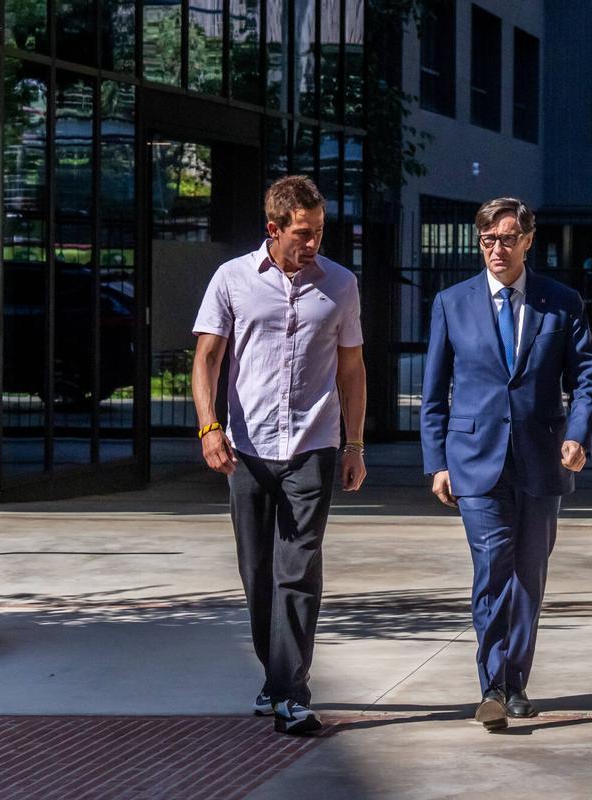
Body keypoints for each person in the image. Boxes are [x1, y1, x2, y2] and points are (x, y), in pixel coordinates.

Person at [191, 175, 367, 736]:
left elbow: (352, 370)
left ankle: (292, 692)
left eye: (318, 231)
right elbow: (207, 361)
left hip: (312, 446)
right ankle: (275, 680)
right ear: (274, 229)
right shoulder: (232, 279)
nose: (313, 242)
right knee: (257, 571)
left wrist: (355, 444)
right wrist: (208, 427)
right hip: (246, 449)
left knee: (297, 569)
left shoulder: (340, 284)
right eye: (302, 233)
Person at [421, 197, 592, 732]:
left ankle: (516, 681)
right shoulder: (453, 302)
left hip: (543, 457)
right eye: (487, 240)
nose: (496, 250)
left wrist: (578, 435)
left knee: (528, 574)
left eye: (506, 239)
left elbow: (586, 378)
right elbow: (434, 395)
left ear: (527, 240)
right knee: (492, 566)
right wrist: (437, 462)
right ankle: (493, 685)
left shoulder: (560, 302)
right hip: (474, 460)